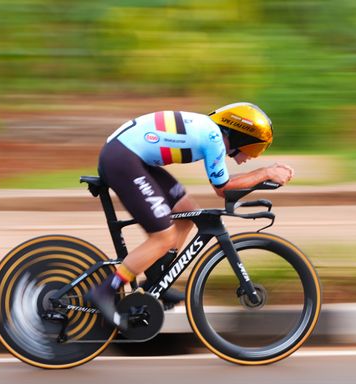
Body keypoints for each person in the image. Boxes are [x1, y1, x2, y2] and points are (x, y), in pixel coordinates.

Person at [88, 102, 295, 328]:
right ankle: (105, 290)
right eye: (255, 149)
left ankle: (156, 281)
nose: (253, 156)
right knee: (163, 237)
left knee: (187, 212)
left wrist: (261, 174)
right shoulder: (214, 138)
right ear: (240, 136)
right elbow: (224, 189)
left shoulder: (209, 130)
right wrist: (265, 172)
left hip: (129, 157)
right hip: (124, 160)